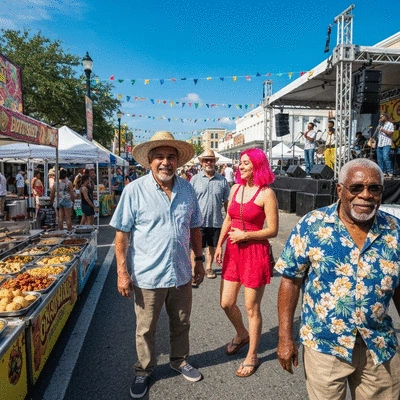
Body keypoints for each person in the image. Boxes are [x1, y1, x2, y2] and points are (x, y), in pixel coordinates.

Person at [275, 158, 400, 400]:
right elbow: (290, 282)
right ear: (340, 190)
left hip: (378, 346)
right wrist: (284, 338)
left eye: (374, 188)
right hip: (324, 346)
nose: (366, 195)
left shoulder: (395, 231)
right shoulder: (312, 226)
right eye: (357, 188)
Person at [110, 130, 205, 399]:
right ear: (149, 161)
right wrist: (121, 272)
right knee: (146, 328)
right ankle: (144, 370)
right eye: (160, 157)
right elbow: (121, 234)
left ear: (178, 161)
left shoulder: (187, 188)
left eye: (171, 157)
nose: (166, 162)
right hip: (147, 275)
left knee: (181, 322)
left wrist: (199, 260)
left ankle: (179, 360)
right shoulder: (134, 190)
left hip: (180, 273)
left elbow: (195, 228)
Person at [215, 148, 279, 378]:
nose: (240, 167)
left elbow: (273, 230)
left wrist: (246, 236)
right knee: (226, 302)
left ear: (257, 166)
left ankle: (252, 354)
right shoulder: (235, 188)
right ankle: (242, 334)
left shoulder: (266, 194)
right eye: (240, 163)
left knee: (252, 307)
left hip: (254, 251)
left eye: (245, 163)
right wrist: (220, 244)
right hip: (233, 251)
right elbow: (229, 218)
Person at [190, 149, 230, 281]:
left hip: (215, 221)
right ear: (201, 162)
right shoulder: (194, 180)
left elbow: (227, 201)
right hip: (198, 221)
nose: (208, 162)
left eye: (211, 160)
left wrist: (230, 219)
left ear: (215, 162)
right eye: (206, 160)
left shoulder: (222, 181)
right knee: (196, 247)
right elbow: (189, 201)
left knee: (212, 246)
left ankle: (208, 267)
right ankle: (193, 268)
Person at [376, 113, 395, 177]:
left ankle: (390, 171)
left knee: (385, 157)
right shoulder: (380, 124)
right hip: (380, 143)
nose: (380, 118)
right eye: (380, 117)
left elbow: (391, 133)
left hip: (386, 143)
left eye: (382, 117)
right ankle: (382, 172)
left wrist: (383, 130)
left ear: (386, 117)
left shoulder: (390, 124)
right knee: (379, 158)